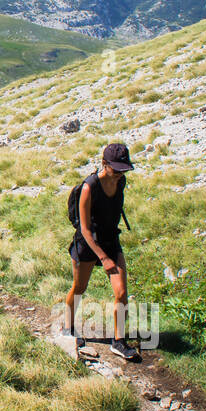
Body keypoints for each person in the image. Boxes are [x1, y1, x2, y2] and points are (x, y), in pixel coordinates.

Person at [65, 143, 138, 361]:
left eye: (123, 170)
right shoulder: (89, 187)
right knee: (79, 287)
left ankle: (118, 341)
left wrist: (109, 253)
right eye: (116, 170)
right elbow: (85, 229)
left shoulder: (120, 181)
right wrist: (103, 258)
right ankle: (68, 328)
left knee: (121, 292)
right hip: (88, 243)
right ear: (104, 164)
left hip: (110, 239)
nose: (119, 175)